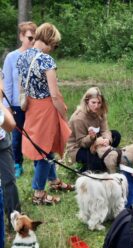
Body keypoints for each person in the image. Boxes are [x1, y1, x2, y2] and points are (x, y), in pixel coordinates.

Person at [17, 22, 73, 205]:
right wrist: (64, 115)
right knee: (44, 151)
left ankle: (54, 181)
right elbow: (54, 94)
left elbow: (20, 88)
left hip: (31, 107)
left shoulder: (22, 57)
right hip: (46, 108)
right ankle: (39, 194)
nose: (53, 49)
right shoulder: (46, 60)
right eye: (54, 45)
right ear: (49, 40)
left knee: (41, 146)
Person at [3, 21, 37, 178]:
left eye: (34, 38)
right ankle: (17, 164)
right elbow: (7, 83)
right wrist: (7, 107)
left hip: (35, 104)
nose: (32, 41)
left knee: (37, 135)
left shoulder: (38, 56)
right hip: (17, 104)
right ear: (21, 37)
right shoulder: (11, 57)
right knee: (17, 137)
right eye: (29, 37)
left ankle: (39, 162)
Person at [66, 87, 121, 172]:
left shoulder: (100, 112)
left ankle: (103, 156)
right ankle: (85, 167)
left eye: (99, 103)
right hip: (78, 148)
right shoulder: (78, 118)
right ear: (87, 101)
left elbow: (105, 130)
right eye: (93, 102)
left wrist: (107, 139)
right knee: (98, 166)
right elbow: (81, 142)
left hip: (96, 140)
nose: (96, 106)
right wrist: (91, 138)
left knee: (116, 135)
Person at [0, 85, 16, 248]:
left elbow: (9, 125)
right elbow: (11, 123)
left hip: (2, 141)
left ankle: (13, 217)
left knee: (10, 180)